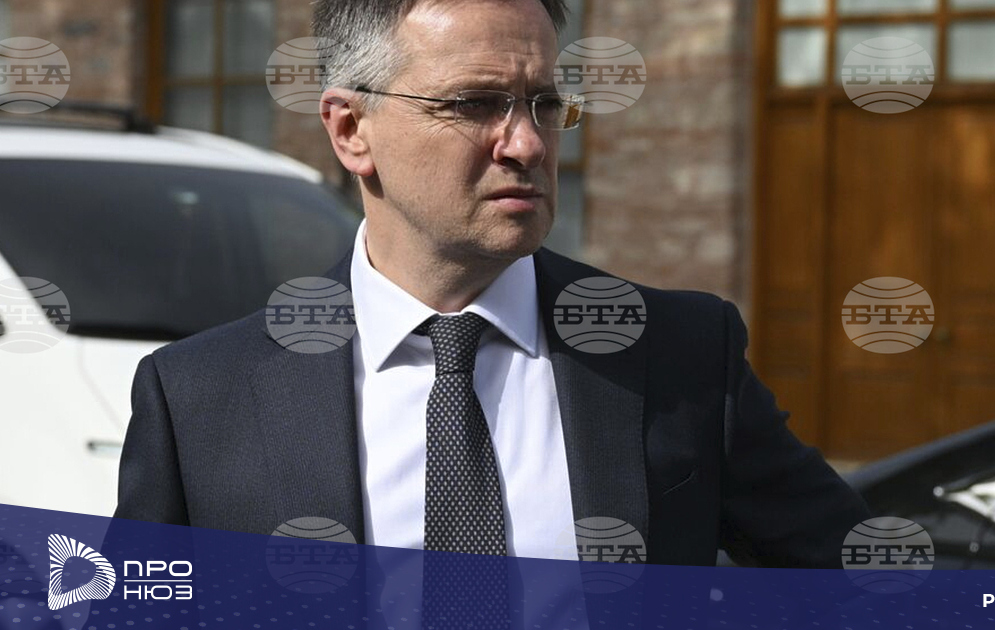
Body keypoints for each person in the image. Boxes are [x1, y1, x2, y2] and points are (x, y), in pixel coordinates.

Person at [114, 0, 870, 569]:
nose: (529, 144)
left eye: (545, 103)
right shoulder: (200, 397)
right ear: (350, 130)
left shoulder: (681, 354)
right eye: (475, 104)